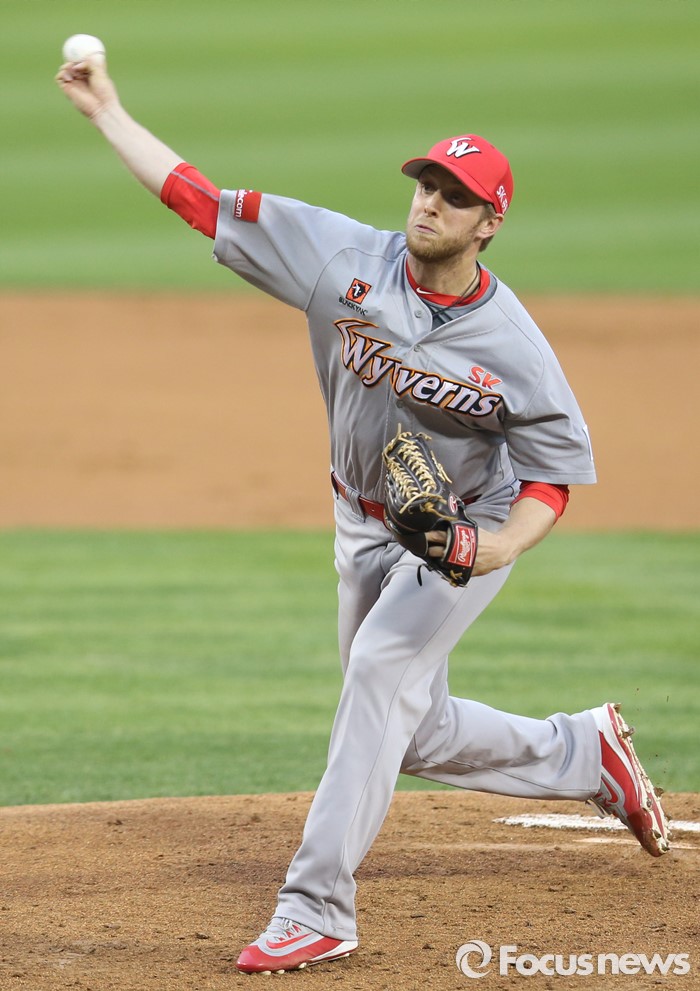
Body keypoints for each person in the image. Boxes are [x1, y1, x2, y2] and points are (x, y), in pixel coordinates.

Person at [56, 53, 670, 976]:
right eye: (426, 185)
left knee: (381, 670)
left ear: (489, 223)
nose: (430, 204)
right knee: (413, 729)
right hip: (358, 518)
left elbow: (552, 478)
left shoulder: (517, 347)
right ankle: (583, 753)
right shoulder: (343, 259)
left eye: (455, 197)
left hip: (457, 526)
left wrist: (494, 546)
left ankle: (315, 907)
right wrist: (107, 110)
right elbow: (200, 201)